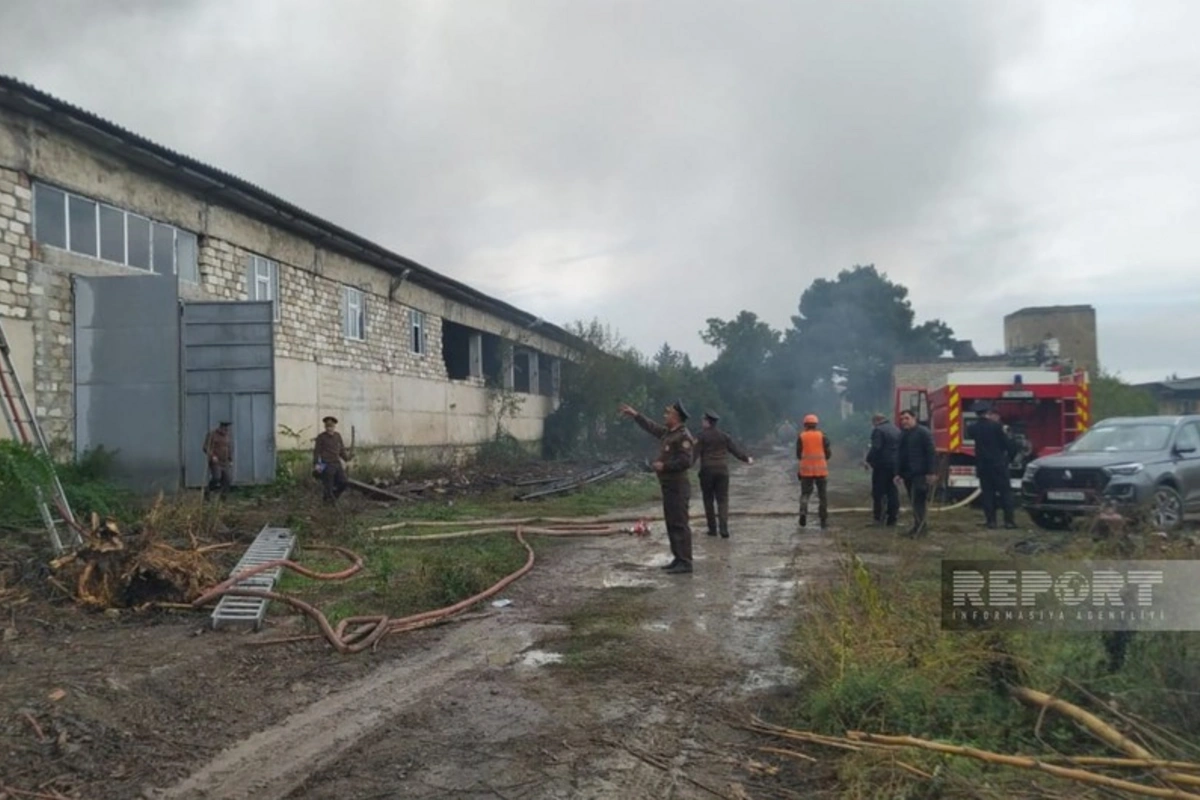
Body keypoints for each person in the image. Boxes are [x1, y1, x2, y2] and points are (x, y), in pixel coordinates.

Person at [619, 400, 696, 574]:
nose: (665, 415)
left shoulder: (683, 436)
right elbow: (651, 427)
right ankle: (678, 558)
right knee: (671, 523)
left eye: (668, 413)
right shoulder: (669, 433)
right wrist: (636, 415)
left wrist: (665, 466)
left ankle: (685, 562)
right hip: (668, 485)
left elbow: (686, 461)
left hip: (677, 486)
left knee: (680, 524)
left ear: (676, 417)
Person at [694, 410, 754, 538]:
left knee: (708, 499)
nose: (702, 422)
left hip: (707, 471)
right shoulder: (724, 436)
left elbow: (694, 454)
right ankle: (724, 528)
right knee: (723, 500)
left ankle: (712, 529)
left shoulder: (701, 436)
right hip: (722, 470)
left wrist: (684, 466)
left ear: (707, 422)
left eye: (703, 420)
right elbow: (735, 450)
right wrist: (746, 458)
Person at [968, 404, 1018, 529]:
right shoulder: (997, 426)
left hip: (983, 466)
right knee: (1005, 492)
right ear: (988, 413)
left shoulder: (972, 428)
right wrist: (1010, 458)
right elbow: (1008, 445)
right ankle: (1009, 522)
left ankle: (991, 521)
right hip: (999, 465)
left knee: (987, 493)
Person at [895, 408, 938, 537]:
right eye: (902, 419)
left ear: (914, 418)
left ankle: (921, 529)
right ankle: (917, 526)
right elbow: (899, 455)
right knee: (913, 501)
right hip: (908, 474)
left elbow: (931, 453)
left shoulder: (923, 433)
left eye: (907, 418)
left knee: (919, 501)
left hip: (920, 473)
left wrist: (931, 472)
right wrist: (897, 473)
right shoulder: (903, 434)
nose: (904, 421)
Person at [863, 412, 900, 527]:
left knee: (878, 492)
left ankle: (878, 519)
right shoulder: (896, 429)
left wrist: (868, 460)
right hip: (895, 466)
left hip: (882, 466)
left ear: (876, 421)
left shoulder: (878, 430)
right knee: (893, 492)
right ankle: (892, 519)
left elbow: (876, 447)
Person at [796, 413, 832, 530]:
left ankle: (803, 511)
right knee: (822, 496)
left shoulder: (801, 436)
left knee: (805, 494)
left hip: (806, 471)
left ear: (805, 425)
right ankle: (823, 520)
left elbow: (798, 454)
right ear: (816, 424)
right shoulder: (823, 436)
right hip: (821, 471)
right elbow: (828, 453)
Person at [313, 415, 353, 503]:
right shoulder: (321, 437)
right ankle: (327, 503)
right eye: (327, 426)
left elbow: (341, 450)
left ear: (334, 427)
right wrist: (316, 464)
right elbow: (316, 452)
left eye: (331, 426)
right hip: (327, 465)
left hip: (337, 464)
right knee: (328, 486)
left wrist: (347, 459)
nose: (329, 429)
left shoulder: (337, 436)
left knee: (344, 482)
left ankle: (333, 497)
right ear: (325, 427)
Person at [202, 421, 233, 499]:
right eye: (224, 428)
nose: (226, 430)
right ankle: (207, 491)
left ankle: (223, 497)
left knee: (227, 479)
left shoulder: (227, 436)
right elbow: (206, 447)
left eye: (227, 428)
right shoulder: (212, 434)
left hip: (225, 461)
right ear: (220, 427)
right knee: (217, 477)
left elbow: (228, 448)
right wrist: (212, 456)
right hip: (215, 461)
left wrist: (230, 459)